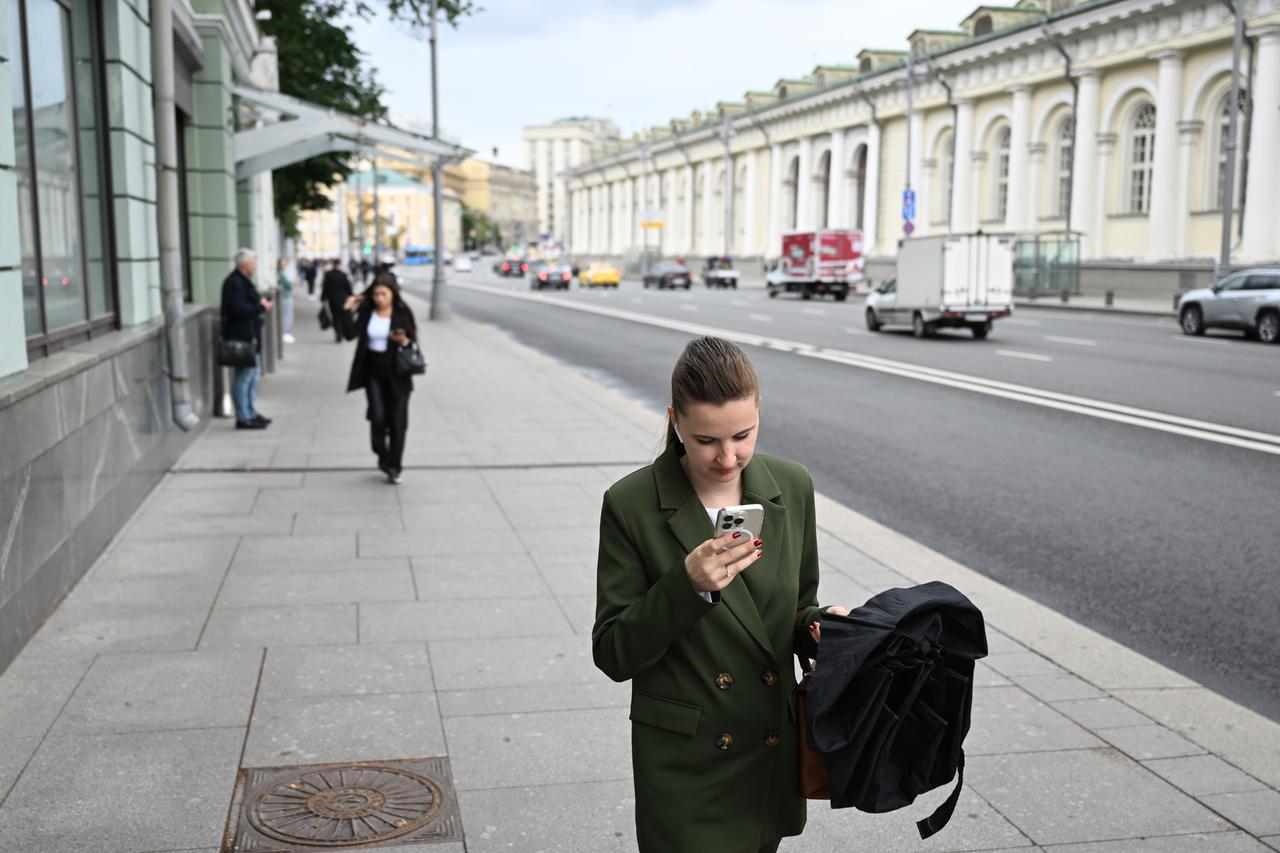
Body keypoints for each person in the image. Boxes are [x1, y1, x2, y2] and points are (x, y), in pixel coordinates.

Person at [592, 336, 849, 853]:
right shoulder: (631, 503)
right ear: (674, 420)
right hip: (688, 764)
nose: (728, 457)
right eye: (706, 439)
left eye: (743, 435)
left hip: (767, 749)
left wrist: (822, 627)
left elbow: (796, 605)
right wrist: (687, 586)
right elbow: (614, 652)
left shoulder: (791, 485)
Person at [341, 273, 419, 484]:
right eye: (375, 294)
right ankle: (381, 452)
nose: (379, 298)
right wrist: (348, 307)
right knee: (377, 416)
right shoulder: (368, 312)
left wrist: (403, 340)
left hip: (398, 373)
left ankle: (394, 467)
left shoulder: (402, 313)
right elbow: (349, 334)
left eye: (383, 294)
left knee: (398, 422)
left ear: (393, 294)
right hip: (373, 371)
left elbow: (413, 342)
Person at [220, 248, 272, 430]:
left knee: (252, 376)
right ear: (245, 264)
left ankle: (250, 412)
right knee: (244, 377)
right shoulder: (234, 283)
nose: (255, 266)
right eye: (254, 262)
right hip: (241, 338)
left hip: (250, 337)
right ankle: (243, 416)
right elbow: (239, 310)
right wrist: (260, 307)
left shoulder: (242, 282)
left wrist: (259, 305)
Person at [320, 258, 353, 343]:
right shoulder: (343, 275)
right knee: (343, 317)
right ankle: (341, 333)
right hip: (342, 299)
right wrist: (351, 296)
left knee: (335, 317)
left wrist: (323, 298)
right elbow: (348, 287)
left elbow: (325, 287)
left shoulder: (328, 274)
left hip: (332, 300)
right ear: (339, 264)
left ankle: (338, 334)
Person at [277, 257, 295, 344]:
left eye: (285, 262)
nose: (284, 264)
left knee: (288, 315)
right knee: (286, 316)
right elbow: (288, 284)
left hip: (286, 296)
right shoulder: (280, 273)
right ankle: (284, 333)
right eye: (283, 262)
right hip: (285, 297)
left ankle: (286, 332)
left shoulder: (283, 272)